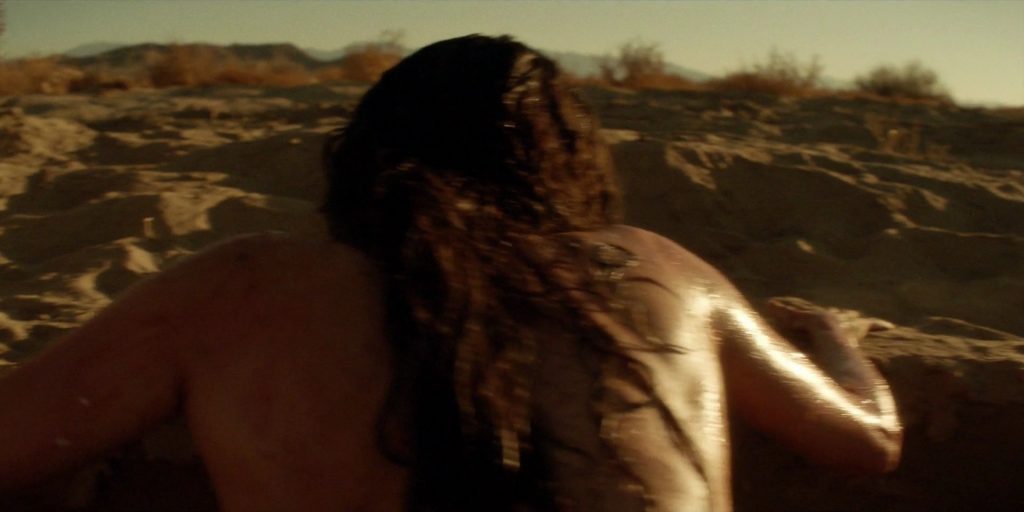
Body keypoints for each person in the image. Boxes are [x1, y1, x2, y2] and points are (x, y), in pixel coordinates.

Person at [0, 35, 901, 511]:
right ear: (567, 164)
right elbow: (868, 440)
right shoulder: (663, 274)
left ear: (365, 157)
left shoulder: (247, 284)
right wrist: (834, 341)